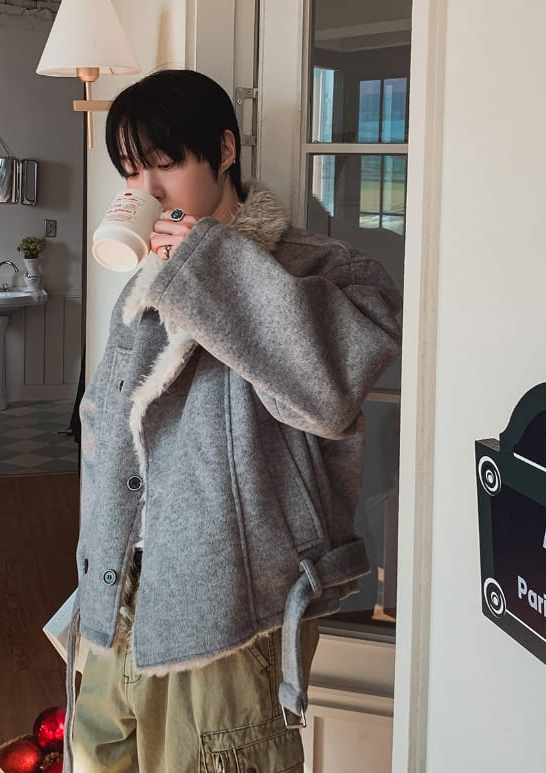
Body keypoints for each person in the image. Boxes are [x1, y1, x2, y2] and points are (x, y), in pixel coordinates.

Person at [64, 69, 402, 773]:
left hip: (234, 615)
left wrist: (202, 262)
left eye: (163, 164)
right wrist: (93, 576)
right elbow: (106, 429)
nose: (146, 190)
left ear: (223, 150)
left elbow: (327, 390)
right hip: (121, 601)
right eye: (131, 172)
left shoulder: (328, 270)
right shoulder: (146, 281)